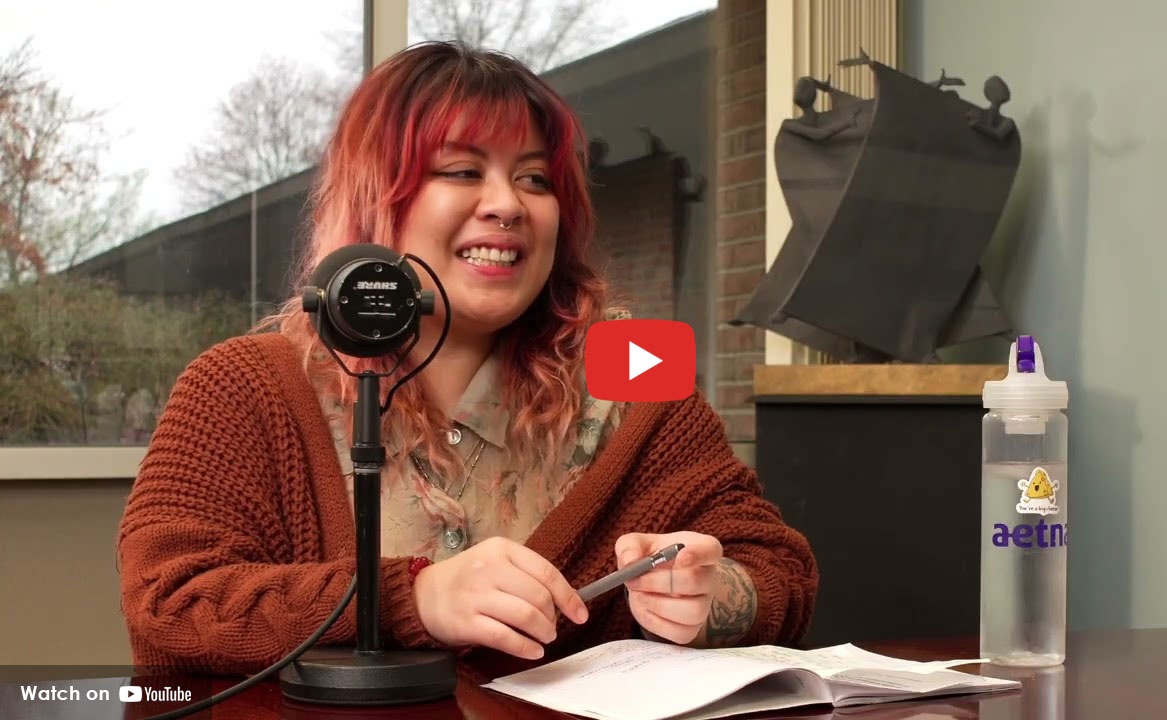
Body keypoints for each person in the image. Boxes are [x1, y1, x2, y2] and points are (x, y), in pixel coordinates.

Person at [116, 41, 818, 679]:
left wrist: (715, 595)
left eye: (536, 180)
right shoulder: (245, 387)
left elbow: (778, 568)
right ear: (375, 199)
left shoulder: (637, 379)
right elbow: (169, 606)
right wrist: (411, 597)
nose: (508, 205)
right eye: (461, 170)